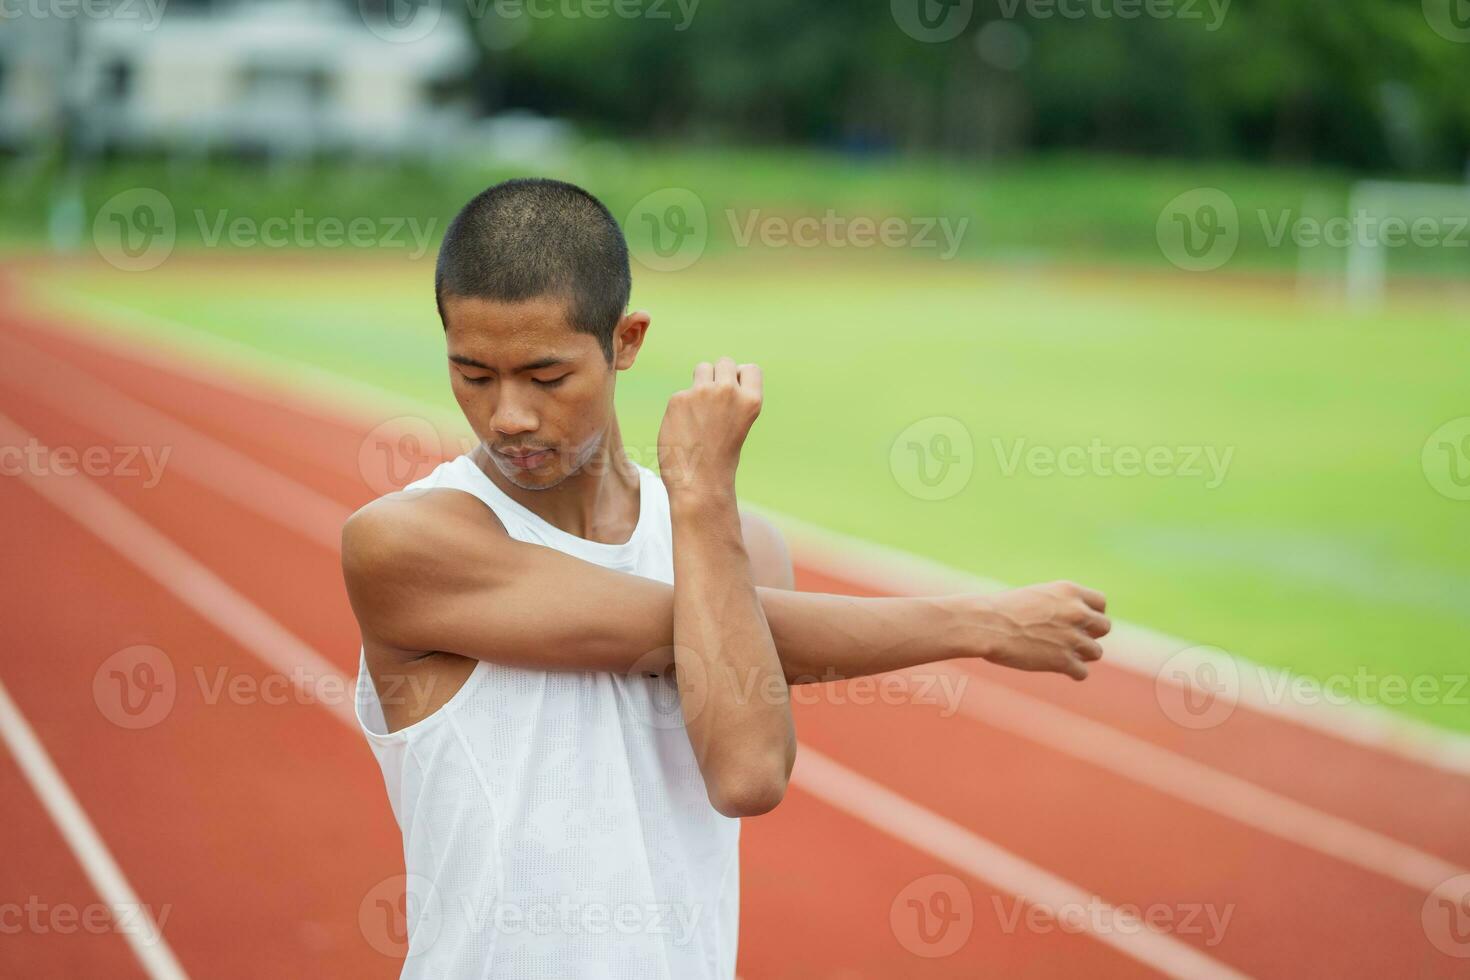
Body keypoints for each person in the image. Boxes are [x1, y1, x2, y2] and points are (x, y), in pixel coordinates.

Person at [341, 177, 1110, 979]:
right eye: (472, 374)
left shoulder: (735, 547)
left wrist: (702, 506)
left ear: (626, 341)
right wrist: (978, 625)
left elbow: (747, 775)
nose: (508, 416)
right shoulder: (404, 545)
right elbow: (682, 630)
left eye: (545, 377)